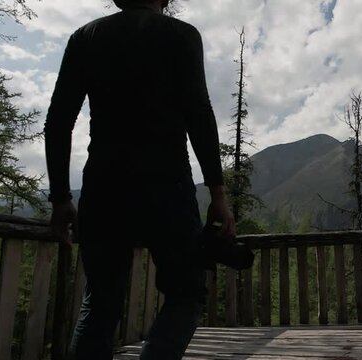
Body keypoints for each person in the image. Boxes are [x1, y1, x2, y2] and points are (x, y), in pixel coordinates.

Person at [44, 0, 236, 358]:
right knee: (186, 293)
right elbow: (199, 112)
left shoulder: (85, 37)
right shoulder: (181, 35)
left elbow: (58, 121)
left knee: (100, 304)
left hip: (103, 188)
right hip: (168, 189)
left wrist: (60, 198)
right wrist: (218, 194)